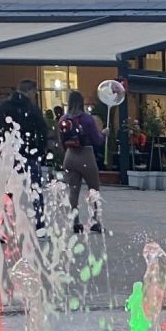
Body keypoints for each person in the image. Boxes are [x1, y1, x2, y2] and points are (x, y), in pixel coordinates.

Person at [0, 79, 48, 224]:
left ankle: (5, 224)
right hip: (29, 153)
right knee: (35, 189)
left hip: (9, 153)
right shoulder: (32, 108)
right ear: (30, 90)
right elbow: (42, 131)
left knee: (9, 190)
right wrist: (41, 150)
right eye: (34, 92)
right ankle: (39, 224)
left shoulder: (4, 106)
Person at [58, 90, 106, 233]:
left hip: (70, 156)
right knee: (93, 190)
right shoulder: (87, 119)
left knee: (73, 191)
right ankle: (95, 221)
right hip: (86, 155)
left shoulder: (63, 119)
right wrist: (104, 134)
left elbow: (61, 142)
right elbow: (97, 141)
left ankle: (74, 221)